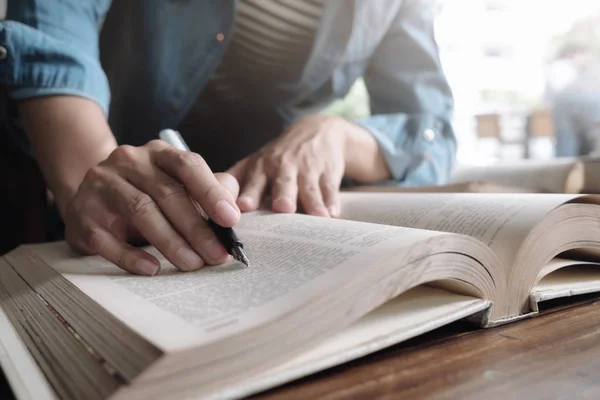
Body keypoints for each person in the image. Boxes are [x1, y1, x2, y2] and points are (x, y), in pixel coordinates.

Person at [0, 0, 455, 274]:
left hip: (254, 216)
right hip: (84, 186)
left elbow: (432, 125)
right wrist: (91, 178)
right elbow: (53, 30)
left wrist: (337, 136)